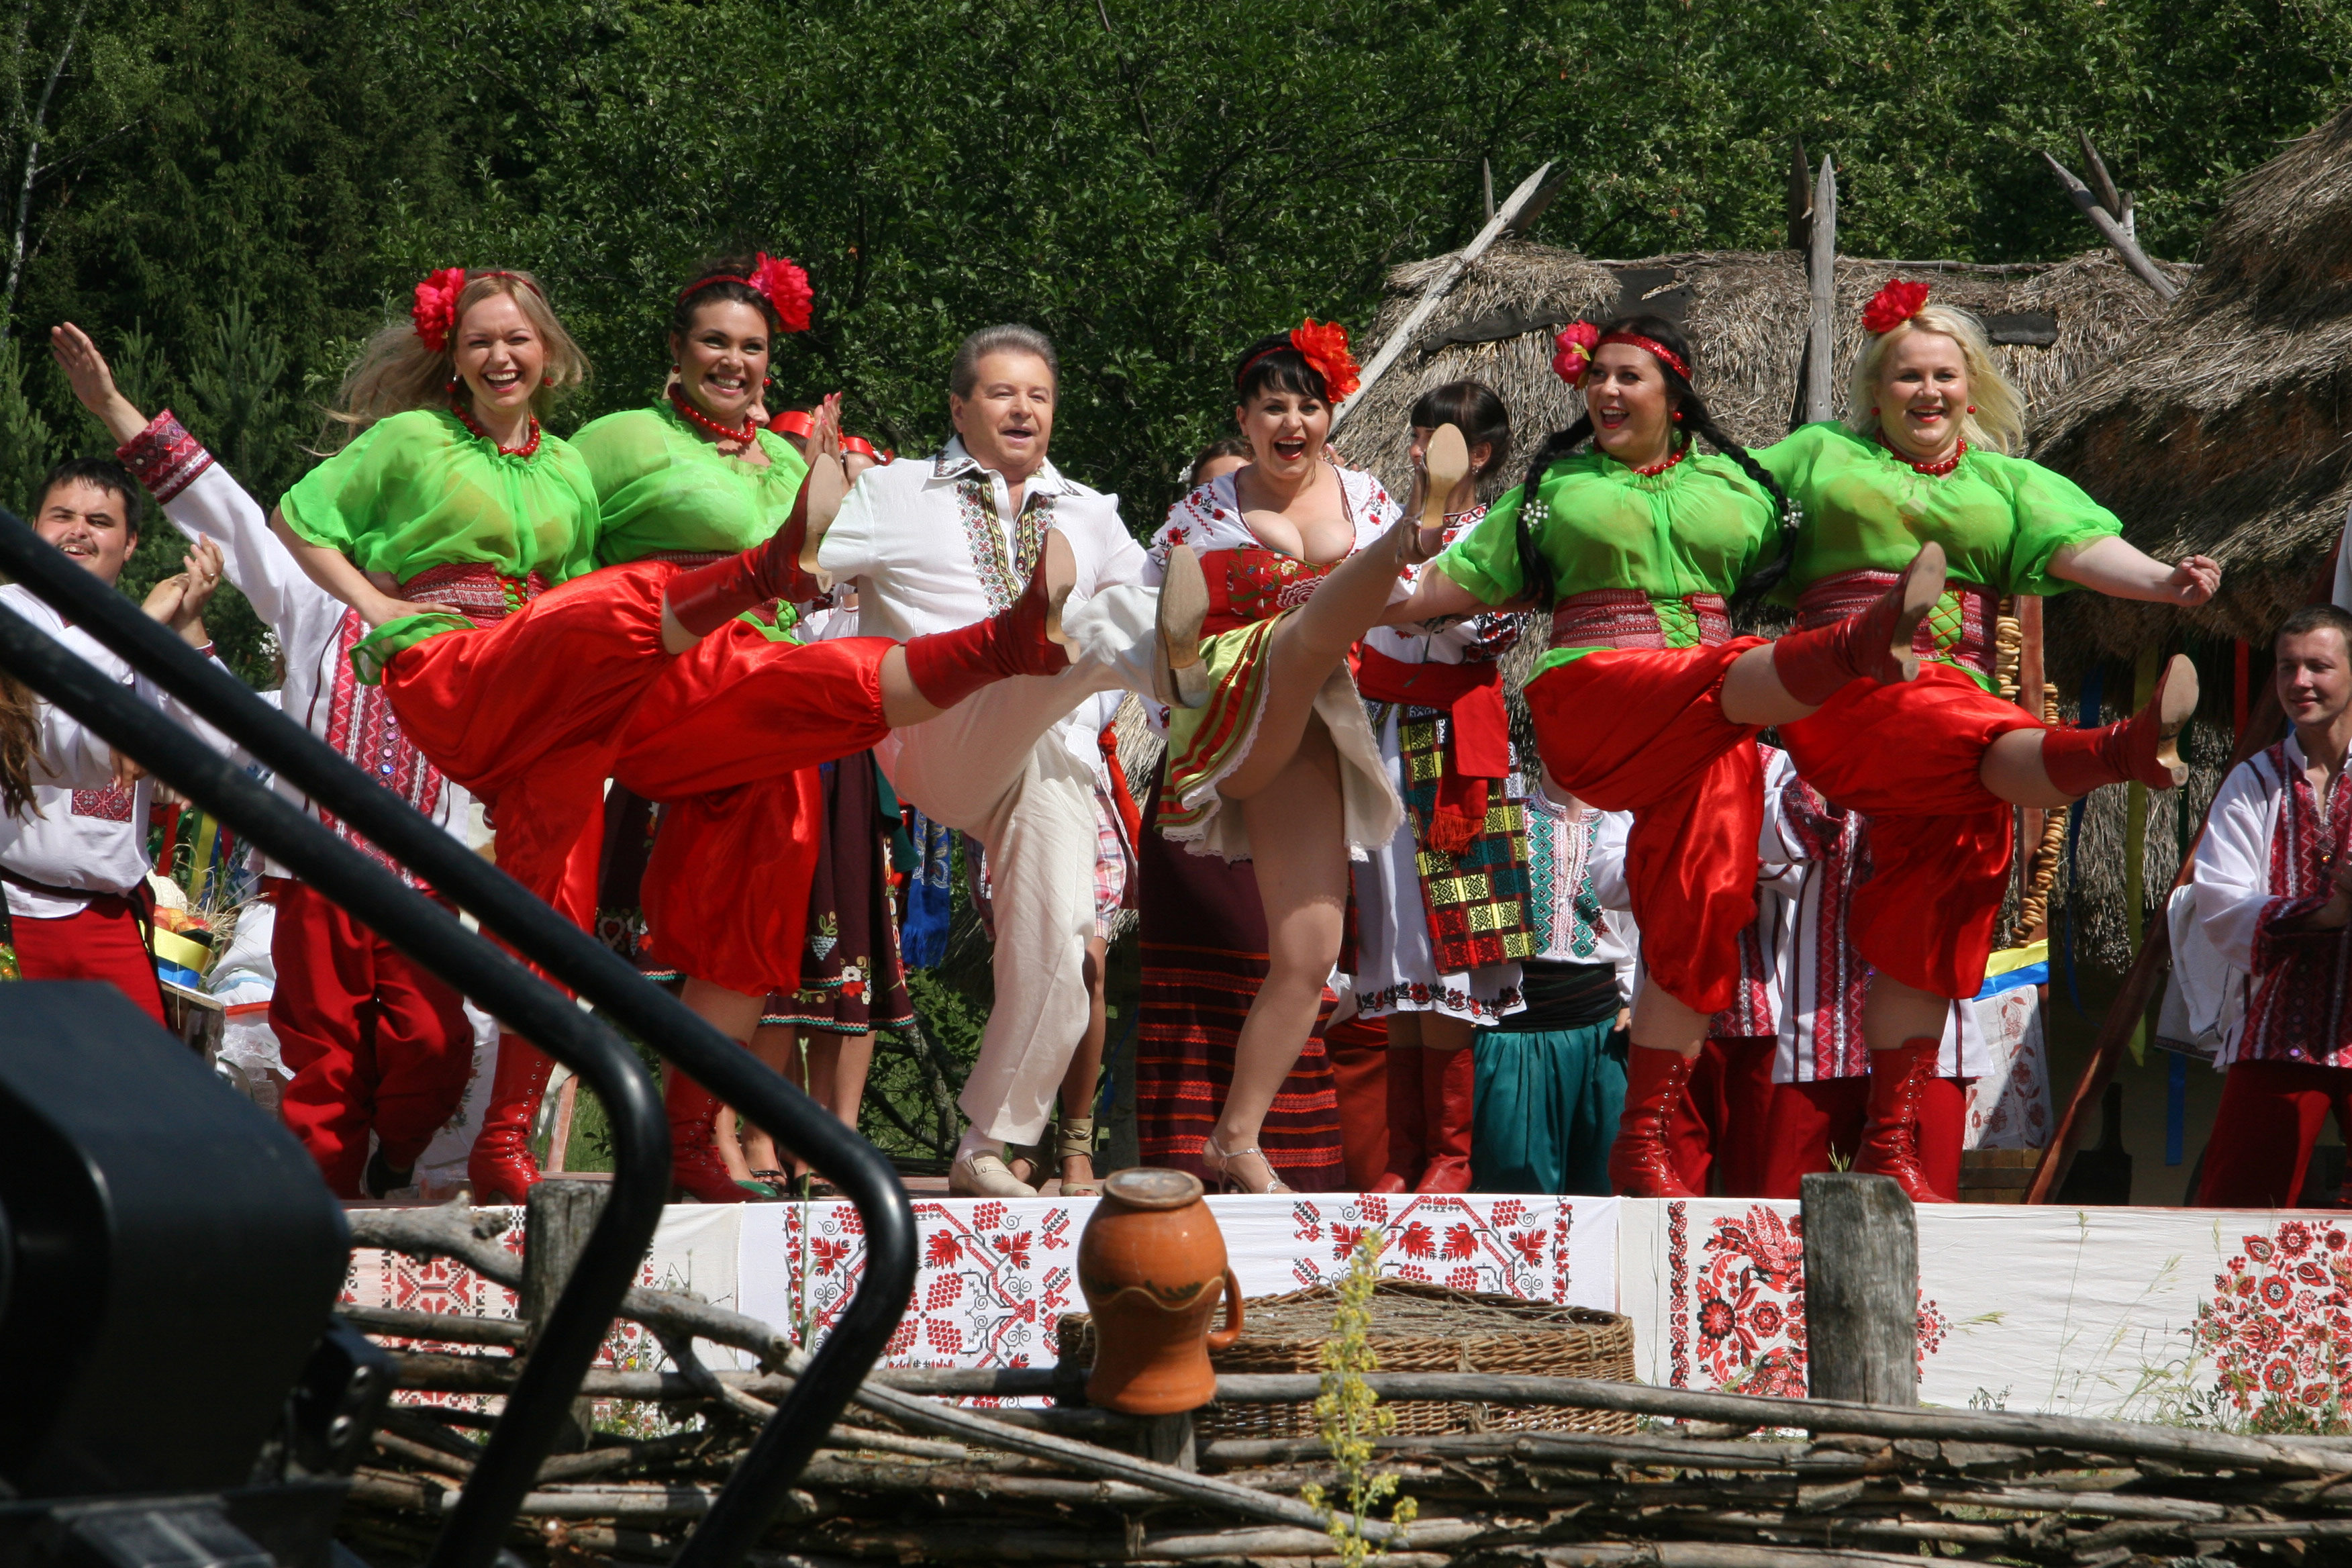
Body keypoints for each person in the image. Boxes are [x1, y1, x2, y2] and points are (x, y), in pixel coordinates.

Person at [270, 268, 1078, 1202]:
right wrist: (376, 606)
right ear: (676, 352)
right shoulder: (604, 442)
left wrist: (846, 483)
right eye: (714, 343)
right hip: (515, 662)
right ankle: (759, 569)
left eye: (752, 346)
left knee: (780, 821)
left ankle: (1004, 644)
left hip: (642, 689)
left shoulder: (579, 464)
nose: (733, 361)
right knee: (617, 604)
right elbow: (301, 519)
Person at [1383, 312, 1955, 1198]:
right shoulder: (1555, 487)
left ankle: (1642, 1145)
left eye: (1628, 377)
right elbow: (1445, 588)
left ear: (1675, 395)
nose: (1606, 391)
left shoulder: (1742, 486)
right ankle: (1856, 648)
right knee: (1731, 669)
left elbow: (1825, 537)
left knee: (1702, 903)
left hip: (1708, 721)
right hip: (1600, 697)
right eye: (1596, 376)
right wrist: (1354, 597)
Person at [1755, 279, 2217, 1201]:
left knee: (1930, 920)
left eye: (1943, 377)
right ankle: (2113, 751)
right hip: (1846, 684)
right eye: (1907, 377)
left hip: (1955, 701)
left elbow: (2078, 547)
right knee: (1955, 720)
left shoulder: (2003, 479)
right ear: (1875, 392)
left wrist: (2169, 583)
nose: (1927, 393)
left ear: (1972, 389)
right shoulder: (1816, 456)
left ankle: (1892, 1144)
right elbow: (1723, 511)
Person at [52, 323, 477, 1199]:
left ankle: (394, 1157)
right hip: (316, 874)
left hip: (423, 882)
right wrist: (112, 408)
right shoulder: (318, 595)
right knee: (319, 1071)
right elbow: (227, 510)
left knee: (436, 1047)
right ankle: (332, 1242)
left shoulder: (476, 608)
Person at [817, 323, 1210, 1197]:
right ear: (960, 407)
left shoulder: (1091, 510)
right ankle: (1054, 636)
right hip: (937, 731)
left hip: (1049, 751)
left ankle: (987, 1145)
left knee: (1068, 954)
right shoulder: (893, 492)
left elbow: (1137, 622)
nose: (1022, 407)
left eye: (1038, 394)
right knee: (1065, 643)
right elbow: (808, 582)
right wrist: (813, 504)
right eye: (1001, 392)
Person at [1148, 319, 1457, 1194]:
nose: (1292, 422)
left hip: (1319, 727)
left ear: (1331, 416)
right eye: (1273, 407)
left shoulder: (1355, 490)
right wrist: (1172, 671)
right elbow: (1132, 610)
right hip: (1224, 710)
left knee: (1309, 954)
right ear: (1244, 420)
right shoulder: (1203, 510)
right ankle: (1415, 533)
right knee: (1304, 629)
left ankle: (1235, 1138)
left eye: (1308, 406)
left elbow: (1407, 611)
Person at [1353, 381, 1533, 1193]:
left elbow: (1495, 622)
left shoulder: (1502, 532)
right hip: (1380, 736)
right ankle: (1402, 1150)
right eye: (1420, 432)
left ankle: (1451, 1156)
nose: (1423, 446)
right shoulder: (1381, 525)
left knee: (1447, 943)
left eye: (1444, 435)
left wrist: (1417, 590)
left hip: (1453, 746)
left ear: (1482, 453)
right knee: (1390, 937)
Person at [0, 457, 222, 1026]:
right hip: (15, 908)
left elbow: (218, 749)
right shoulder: (11, 614)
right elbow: (43, 714)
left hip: (109, 915)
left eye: (100, 521)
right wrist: (141, 628)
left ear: (129, 544)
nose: (78, 530)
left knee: (138, 1100)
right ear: (32, 529)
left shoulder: (142, 629)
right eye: (61, 515)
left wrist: (189, 627)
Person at [1751, 747, 1983, 1199]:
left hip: (1934, 1043)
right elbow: (1768, 849)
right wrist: (1836, 766)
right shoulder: (1822, 755)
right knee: (1784, 1224)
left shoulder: (1957, 755)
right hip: (1821, 1034)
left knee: (1927, 1227)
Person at [2192, 605, 2352, 1206]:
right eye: (2288, 667)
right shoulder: (2254, 781)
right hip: (2279, 1027)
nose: (2300, 682)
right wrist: (2324, 913)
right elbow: (2222, 901)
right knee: (2236, 1210)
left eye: (2319, 666)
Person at [1470, 772, 1636, 1195]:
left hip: (1602, 1033)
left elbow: (1639, 929)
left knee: (1604, 1181)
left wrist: (1634, 999)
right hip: (1513, 1033)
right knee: (1515, 1179)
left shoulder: (1627, 826)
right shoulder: (1503, 820)